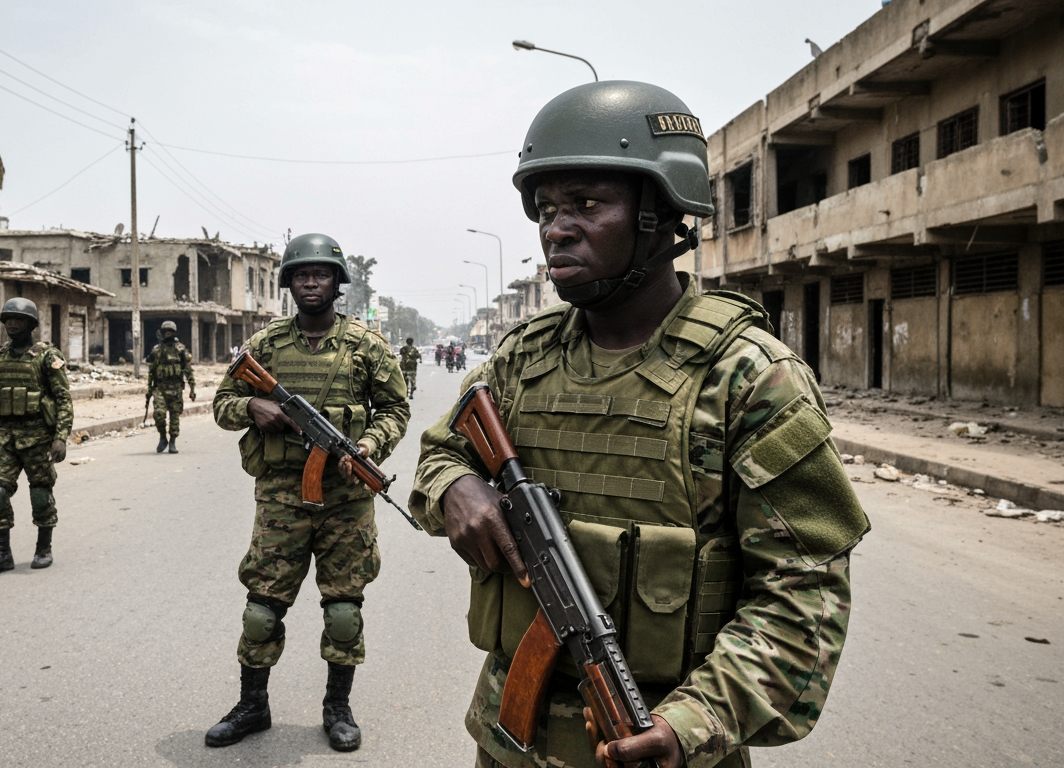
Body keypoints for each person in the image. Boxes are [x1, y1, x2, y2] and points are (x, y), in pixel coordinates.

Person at [409, 81, 869, 768]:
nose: (556, 228)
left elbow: (804, 595)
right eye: (546, 208)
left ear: (660, 213)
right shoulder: (522, 357)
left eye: (588, 204)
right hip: (511, 738)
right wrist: (455, 488)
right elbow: (442, 451)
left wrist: (694, 721)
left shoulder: (748, 377)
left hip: (656, 743)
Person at [209, 233, 411, 752]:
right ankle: (252, 705)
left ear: (337, 282)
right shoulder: (266, 346)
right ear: (289, 283)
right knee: (261, 609)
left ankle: (337, 708)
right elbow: (223, 401)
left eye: (321, 274)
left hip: (346, 502)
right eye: (302, 274)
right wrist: (253, 409)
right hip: (280, 499)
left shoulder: (366, 345)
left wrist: (367, 443)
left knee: (343, 611)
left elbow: (395, 410)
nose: (311, 282)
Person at [0, 298, 73, 574]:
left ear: (30, 324)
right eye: (8, 319)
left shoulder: (47, 356)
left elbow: (63, 399)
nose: (12, 324)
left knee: (40, 493)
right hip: (4, 436)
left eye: (18, 319)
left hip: (37, 435)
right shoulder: (1, 356)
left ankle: (44, 548)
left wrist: (60, 437)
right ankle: (2, 553)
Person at [146, 319, 196, 454]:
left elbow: (188, 370)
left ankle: (173, 441)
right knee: (159, 414)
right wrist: (149, 390)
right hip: (160, 388)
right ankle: (163, 437)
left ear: (173, 333)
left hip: (175, 388)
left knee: (175, 415)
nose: (167, 334)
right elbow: (152, 371)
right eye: (165, 332)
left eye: (170, 332)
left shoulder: (180, 350)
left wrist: (192, 388)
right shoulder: (157, 351)